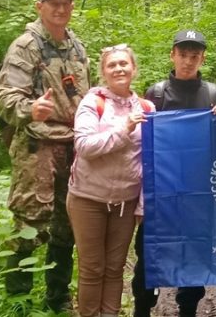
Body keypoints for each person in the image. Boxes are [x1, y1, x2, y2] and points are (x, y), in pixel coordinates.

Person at [0, 0, 89, 313]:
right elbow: (4, 97)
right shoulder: (26, 46)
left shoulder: (75, 45)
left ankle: (57, 298)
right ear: (40, 6)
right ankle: (18, 299)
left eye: (66, 3)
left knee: (68, 224)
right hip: (37, 145)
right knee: (30, 223)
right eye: (54, 4)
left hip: (73, 146)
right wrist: (30, 109)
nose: (60, 9)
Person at [132, 29, 216, 317]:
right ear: (172, 55)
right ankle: (141, 308)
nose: (188, 60)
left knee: (195, 253)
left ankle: (188, 308)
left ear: (202, 58)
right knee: (148, 252)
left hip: (199, 192)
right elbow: (142, 141)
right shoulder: (156, 94)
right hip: (161, 192)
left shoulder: (212, 94)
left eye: (194, 55)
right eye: (183, 54)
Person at [68, 44, 155, 317]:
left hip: (125, 203)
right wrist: (125, 128)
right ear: (103, 72)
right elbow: (85, 146)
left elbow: (150, 160)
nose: (119, 68)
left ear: (134, 68)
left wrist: (141, 204)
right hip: (87, 199)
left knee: (115, 268)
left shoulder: (147, 107)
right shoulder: (93, 102)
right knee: (92, 268)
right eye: (112, 65)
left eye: (124, 64)